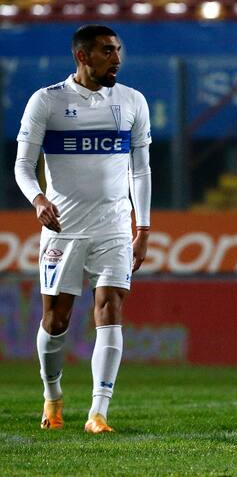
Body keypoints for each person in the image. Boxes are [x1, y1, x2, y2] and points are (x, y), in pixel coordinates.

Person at [14, 24, 152, 433]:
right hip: (64, 228)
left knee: (111, 308)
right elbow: (23, 166)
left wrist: (142, 227)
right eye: (107, 51)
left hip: (113, 226)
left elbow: (140, 169)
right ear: (82, 56)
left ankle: (98, 413)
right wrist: (38, 199)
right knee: (56, 320)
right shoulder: (47, 101)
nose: (117, 58)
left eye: (118, 50)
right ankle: (52, 395)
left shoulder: (132, 102)